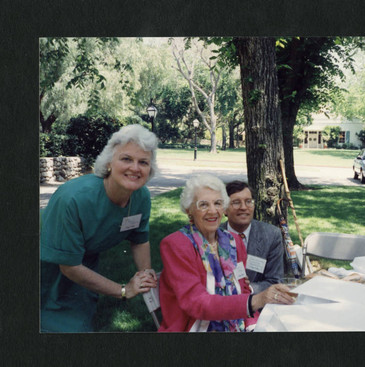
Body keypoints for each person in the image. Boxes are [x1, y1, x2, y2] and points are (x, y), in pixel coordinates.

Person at [40, 124, 158, 332]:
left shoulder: (141, 197)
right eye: (126, 159)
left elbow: (139, 239)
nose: (135, 168)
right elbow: (68, 266)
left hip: (82, 265)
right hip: (44, 265)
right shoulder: (73, 199)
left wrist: (145, 277)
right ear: (109, 162)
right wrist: (123, 290)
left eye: (143, 162)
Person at [158, 174, 294, 332]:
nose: (213, 211)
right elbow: (196, 303)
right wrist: (256, 300)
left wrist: (253, 326)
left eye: (217, 203)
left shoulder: (232, 241)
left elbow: (243, 288)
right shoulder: (176, 245)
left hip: (235, 324)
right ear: (189, 210)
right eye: (203, 205)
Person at [221, 181, 284, 293]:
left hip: (259, 303)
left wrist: (247, 289)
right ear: (224, 209)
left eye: (248, 202)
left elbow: (275, 280)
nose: (244, 207)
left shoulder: (271, 235)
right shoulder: (214, 236)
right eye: (236, 202)